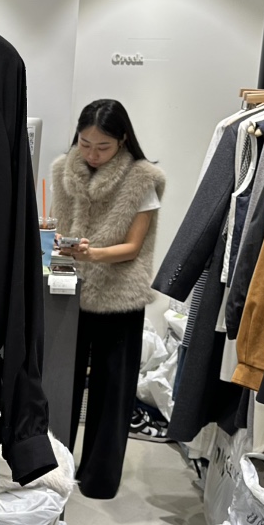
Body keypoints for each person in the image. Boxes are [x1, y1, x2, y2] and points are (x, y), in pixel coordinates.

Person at [51, 99, 166, 498]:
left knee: (113, 388)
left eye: (103, 147)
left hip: (120, 294)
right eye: (85, 144)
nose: (92, 154)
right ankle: (53, 469)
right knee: (60, 384)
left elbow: (133, 247)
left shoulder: (142, 178)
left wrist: (92, 254)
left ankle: (99, 479)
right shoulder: (63, 170)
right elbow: (56, 225)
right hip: (66, 290)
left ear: (122, 140)